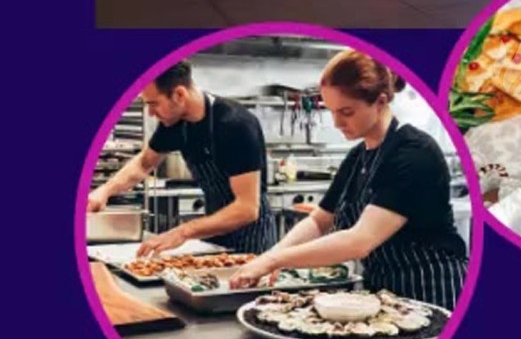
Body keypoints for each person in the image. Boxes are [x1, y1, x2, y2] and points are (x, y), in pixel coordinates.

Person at [231, 50, 467, 309]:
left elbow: (359, 241)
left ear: (380, 101)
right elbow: (320, 220)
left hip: (433, 290)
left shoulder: (414, 153)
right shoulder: (359, 156)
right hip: (386, 293)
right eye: (331, 111)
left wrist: (275, 261)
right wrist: (272, 254)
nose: (337, 122)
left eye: (346, 112)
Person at [88, 60, 277, 255]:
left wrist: (183, 232)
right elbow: (144, 164)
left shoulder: (234, 124)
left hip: (252, 241)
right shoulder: (175, 124)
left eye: (154, 104)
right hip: (214, 233)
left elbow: (247, 209)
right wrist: (104, 191)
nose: (151, 113)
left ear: (179, 94)